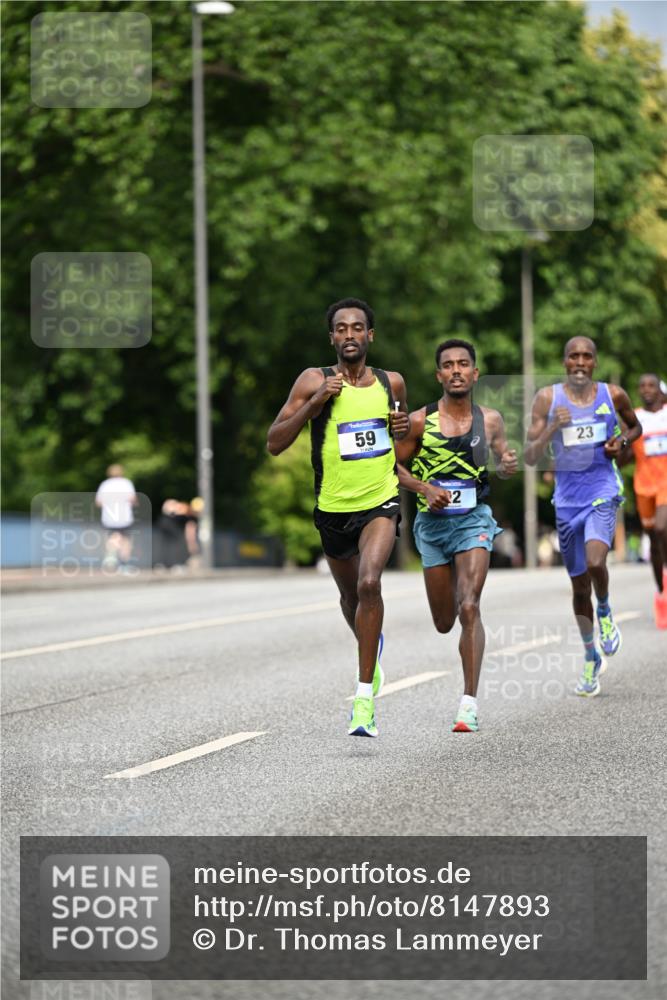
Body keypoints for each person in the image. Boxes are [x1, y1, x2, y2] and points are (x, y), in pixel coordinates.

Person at [267, 298, 409, 738]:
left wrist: (403, 434)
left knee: (370, 584)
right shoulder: (314, 379)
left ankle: (363, 699)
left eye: (358, 327)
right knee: (351, 598)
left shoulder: (392, 382)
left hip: (380, 499)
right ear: (332, 338)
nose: (350, 335)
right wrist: (313, 405)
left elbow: (403, 448)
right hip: (332, 507)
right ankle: (372, 646)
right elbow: (274, 442)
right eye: (341, 329)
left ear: (371, 336)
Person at [395, 338, 518, 733]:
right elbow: (392, 467)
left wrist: (507, 464)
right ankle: (454, 618)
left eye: (463, 364)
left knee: (469, 606)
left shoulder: (491, 420)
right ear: (439, 375)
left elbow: (501, 460)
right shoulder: (418, 421)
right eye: (448, 365)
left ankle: (468, 703)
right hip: (431, 527)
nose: (456, 370)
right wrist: (425, 489)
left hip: (473, 520)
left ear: (475, 373)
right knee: (445, 621)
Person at [524, 337, 641, 696]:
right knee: (578, 589)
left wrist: (621, 443)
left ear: (595, 362)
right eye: (573, 355)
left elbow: (635, 428)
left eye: (586, 356)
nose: (579, 362)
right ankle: (590, 655)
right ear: (564, 361)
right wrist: (551, 429)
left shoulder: (613, 394)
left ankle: (605, 611)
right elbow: (530, 455)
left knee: (595, 562)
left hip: (602, 491)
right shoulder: (547, 398)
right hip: (566, 501)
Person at [618, 373, 667, 627]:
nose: (646, 390)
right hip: (643, 487)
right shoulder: (635, 419)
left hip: (666, 486)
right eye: (642, 386)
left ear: (660, 389)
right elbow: (623, 460)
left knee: (662, 528)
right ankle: (662, 593)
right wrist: (621, 444)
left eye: (651, 385)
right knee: (655, 542)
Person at [95, 464, 138, 571]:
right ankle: (124, 562)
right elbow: (133, 499)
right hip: (124, 516)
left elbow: (98, 502)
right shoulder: (126, 483)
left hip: (109, 517)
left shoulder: (105, 485)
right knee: (125, 540)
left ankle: (111, 558)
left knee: (112, 537)